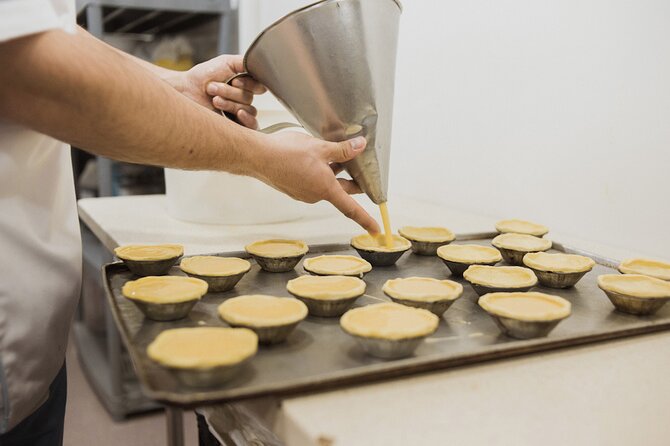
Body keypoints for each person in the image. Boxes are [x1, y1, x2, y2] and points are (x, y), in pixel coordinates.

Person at [0, 2, 380, 445]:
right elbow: (32, 72)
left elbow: (53, 35)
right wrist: (265, 159)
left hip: (29, 338)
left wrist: (175, 85)